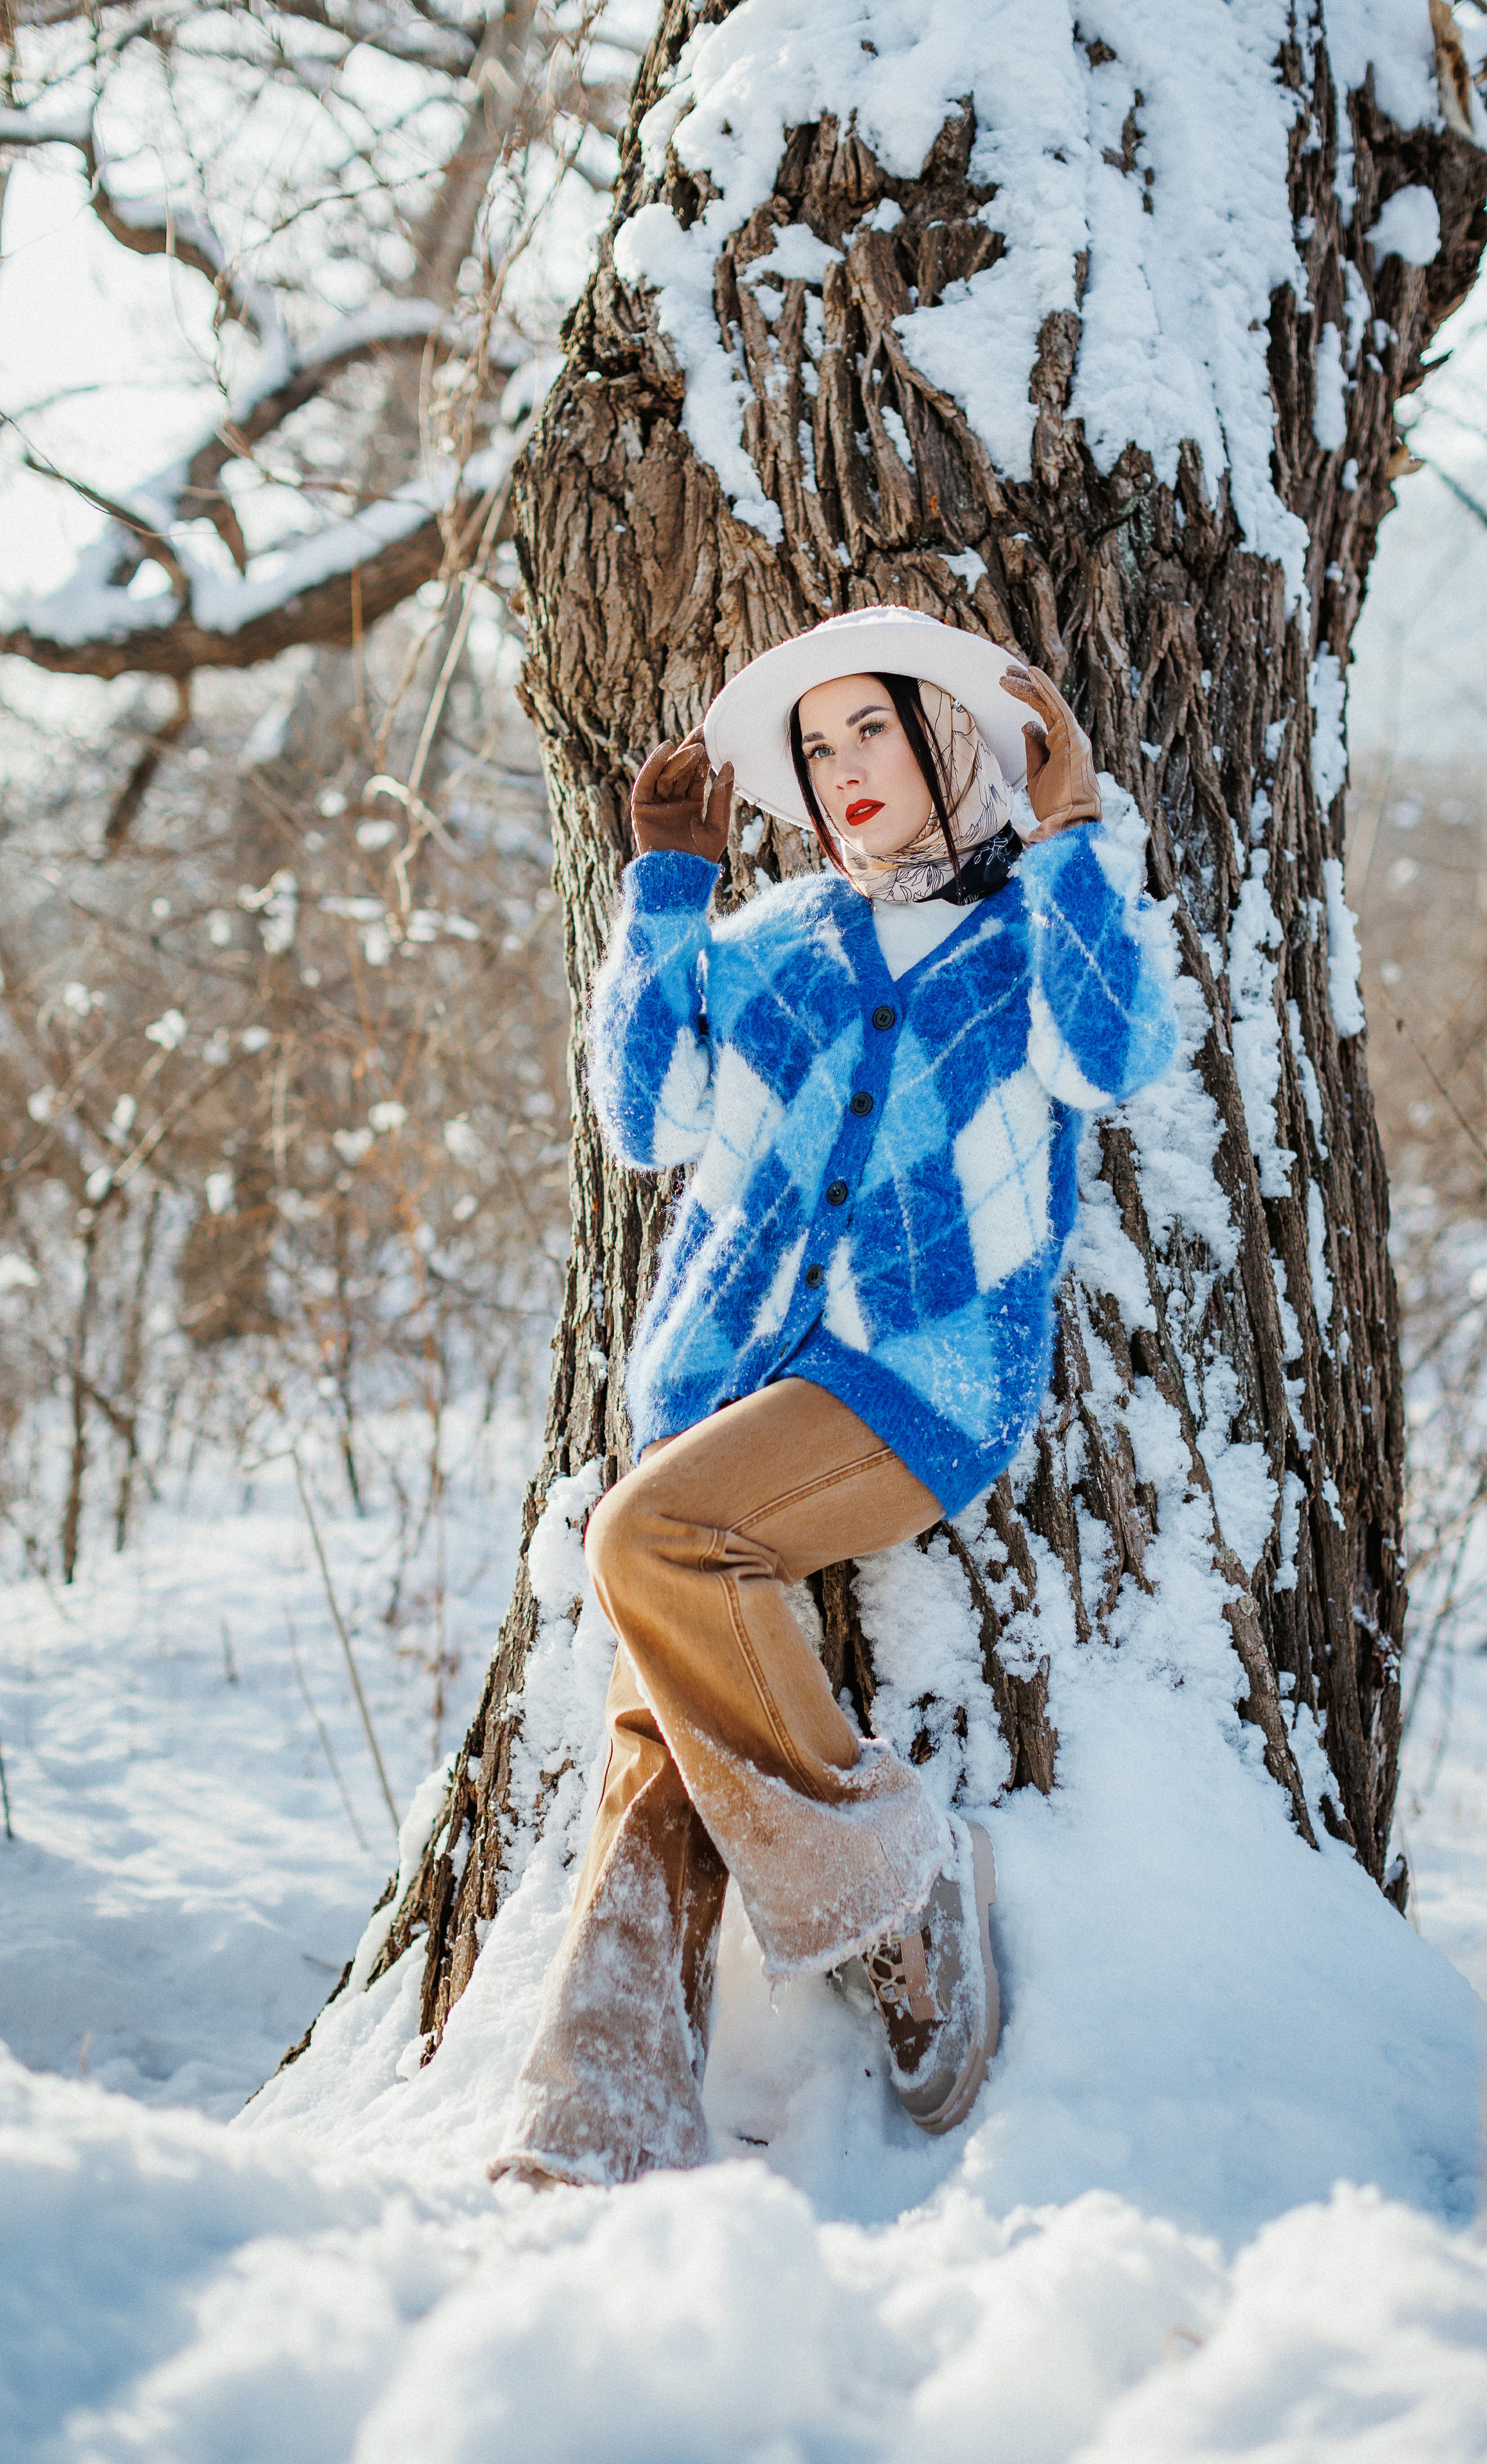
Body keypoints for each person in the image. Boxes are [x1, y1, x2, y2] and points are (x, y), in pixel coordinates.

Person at [490, 606, 1176, 2189]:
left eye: (871, 729)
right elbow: (648, 1116)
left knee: (650, 1543)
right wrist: (664, 891)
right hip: (719, 1384)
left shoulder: (1028, 942)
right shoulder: (772, 943)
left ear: (955, 740)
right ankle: (590, 2130)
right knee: (654, 1759)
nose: (839, 769)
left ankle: (900, 1880)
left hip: (914, 1377)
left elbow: (1117, 1049)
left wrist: (1070, 835)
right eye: (813, 748)